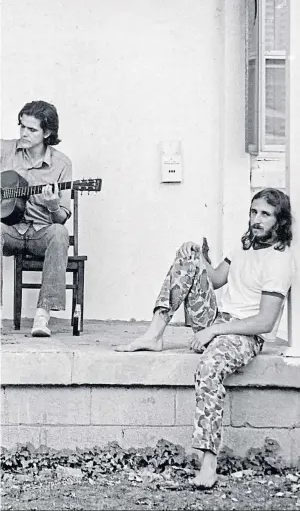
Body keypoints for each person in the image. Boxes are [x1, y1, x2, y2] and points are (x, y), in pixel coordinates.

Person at [116, 188, 295, 489]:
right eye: (253, 212)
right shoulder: (245, 246)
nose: (256, 219)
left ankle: (208, 465)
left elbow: (264, 322)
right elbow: (214, 280)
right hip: (217, 319)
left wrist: (214, 331)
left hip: (243, 334)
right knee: (185, 258)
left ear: (280, 221)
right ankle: (154, 334)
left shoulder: (279, 261)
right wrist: (198, 256)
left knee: (209, 368)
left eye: (265, 214)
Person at [1, 100, 72, 337]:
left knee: (60, 233)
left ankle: (42, 316)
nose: (23, 133)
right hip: (10, 230)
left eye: (31, 130)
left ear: (47, 132)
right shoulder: (5, 150)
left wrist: (53, 206)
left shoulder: (61, 164)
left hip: (41, 233)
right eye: (22, 126)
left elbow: (61, 217)